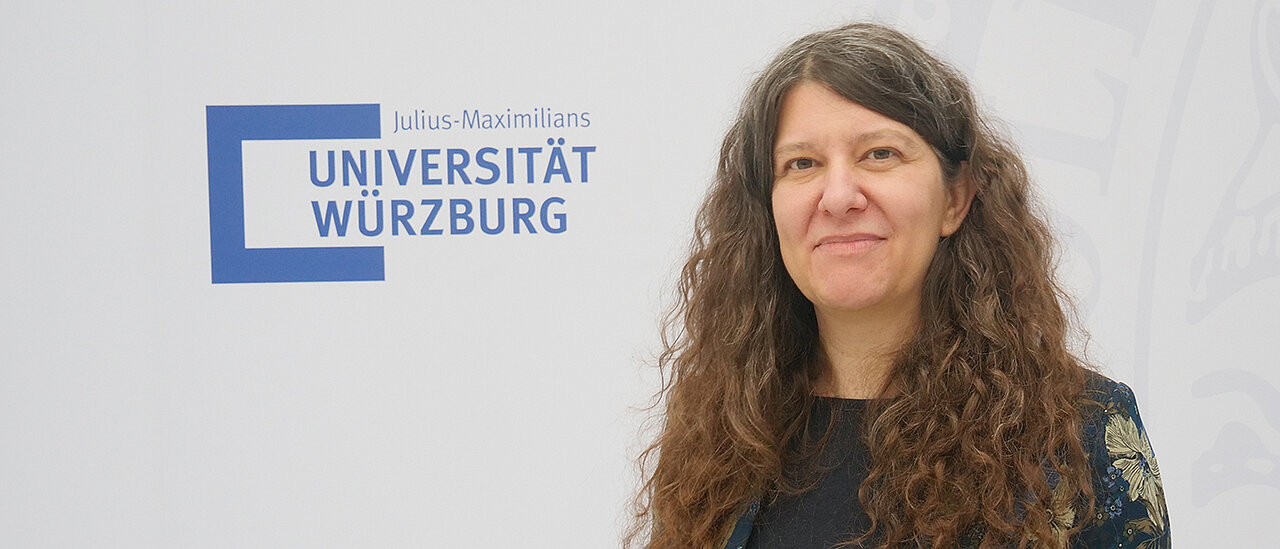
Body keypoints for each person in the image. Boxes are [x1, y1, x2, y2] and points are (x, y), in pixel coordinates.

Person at [629, 22, 1170, 549]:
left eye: (880, 154)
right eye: (802, 163)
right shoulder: (721, 436)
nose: (838, 197)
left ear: (955, 199)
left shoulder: (1083, 433)